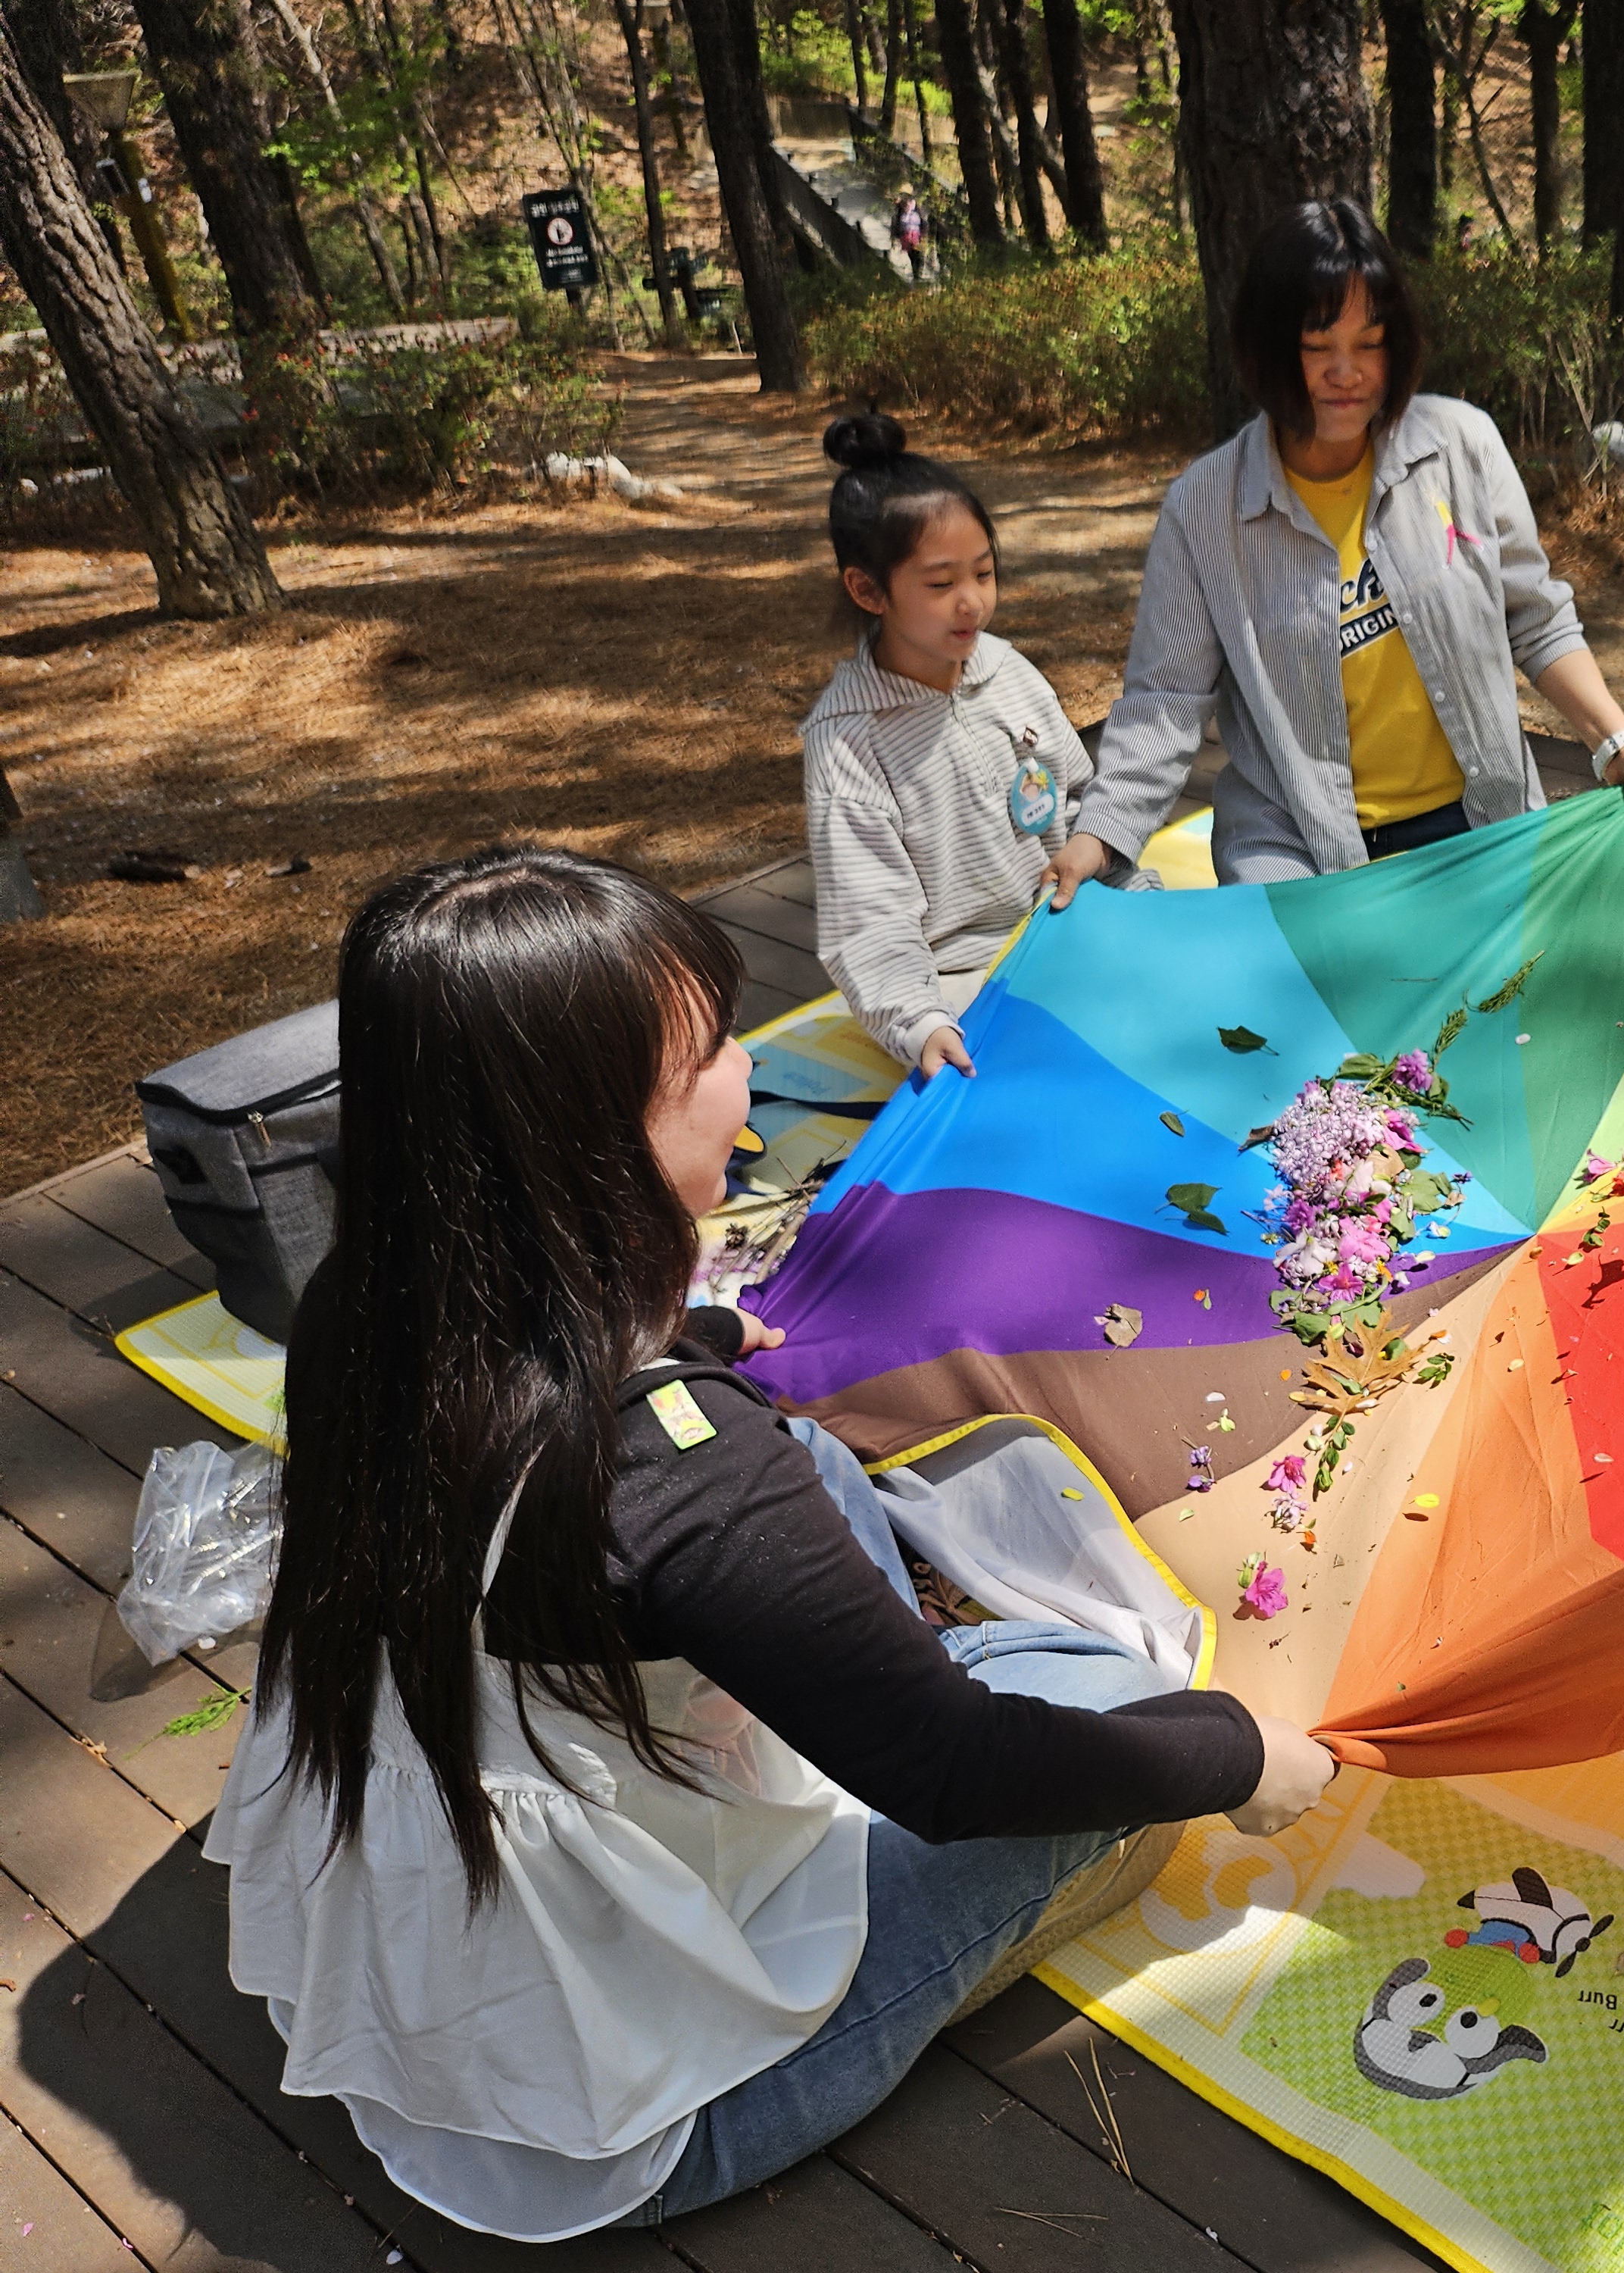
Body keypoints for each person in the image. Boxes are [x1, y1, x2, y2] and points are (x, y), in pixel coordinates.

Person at [206, 846, 1336, 2234]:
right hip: (633, 2119)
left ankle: (897, 1687)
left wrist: (705, 1340)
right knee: (1130, 1722)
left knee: (807, 1457)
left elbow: (626, 1429)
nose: (749, 1079)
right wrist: (1243, 1759)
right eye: (712, 1058)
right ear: (585, 1134)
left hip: (465, 1977)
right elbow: (955, 1770)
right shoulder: (669, 1463)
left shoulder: (365, 1309)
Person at [1046, 200, 1624, 893]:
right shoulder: (1205, 511)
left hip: (1476, 828)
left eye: (1370, 342)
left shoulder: (1461, 444)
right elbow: (1165, 700)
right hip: (1296, 854)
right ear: (1268, 349)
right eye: (1317, 348)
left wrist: (1616, 741)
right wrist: (1099, 838)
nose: (1348, 372)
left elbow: (1537, 618)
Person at [801, 413, 1126, 1082]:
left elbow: (1081, 801)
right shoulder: (848, 743)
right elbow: (871, 926)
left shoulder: (1007, 670)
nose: (973, 603)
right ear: (869, 591)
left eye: (984, 572)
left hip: (1064, 933)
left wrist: (1123, 883)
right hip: (960, 986)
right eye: (942, 584)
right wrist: (920, 1023)